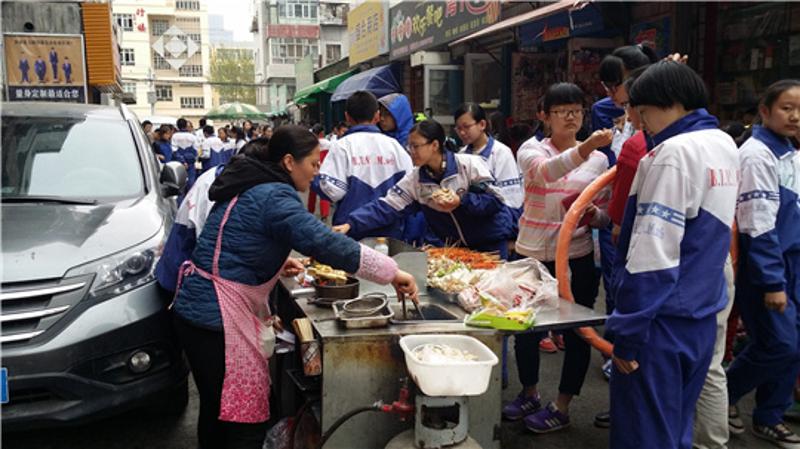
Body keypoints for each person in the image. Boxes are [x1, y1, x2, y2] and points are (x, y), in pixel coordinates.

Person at [171, 128, 418, 449]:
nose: (317, 171)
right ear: (289, 161)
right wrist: (392, 271)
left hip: (199, 310)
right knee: (241, 421)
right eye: (314, 163)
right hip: (214, 316)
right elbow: (323, 242)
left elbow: (235, 240)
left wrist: (274, 263)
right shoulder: (274, 194)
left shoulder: (253, 182)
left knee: (217, 411)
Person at [606, 61, 739, 449]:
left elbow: (653, 254)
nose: (639, 122)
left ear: (671, 103)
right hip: (700, 312)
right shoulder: (723, 143)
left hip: (659, 323)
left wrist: (627, 335)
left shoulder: (672, 154)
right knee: (676, 429)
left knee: (643, 435)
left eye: (642, 111)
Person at [505, 83, 612, 433]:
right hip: (531, 252)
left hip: (576, 254)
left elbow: (606, 212)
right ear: (544, 116)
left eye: (577, 110)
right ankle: (530, 392)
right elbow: (544, 173)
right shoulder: (531, 149)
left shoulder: (599, 160)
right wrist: (587, 147)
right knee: (524, 330)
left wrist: (594, 215)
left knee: (579, 331)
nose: (571, 117)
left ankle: (562, 406)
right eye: (562, 111)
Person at [727, 79, 800, 448]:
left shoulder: (790, 151)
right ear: (765, 110)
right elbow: (758, 224)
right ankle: (724, 392)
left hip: (795, 265)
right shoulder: (757, 154)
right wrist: (773, 282)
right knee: (780, 344)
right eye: (787, 108)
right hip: (769, 267)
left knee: (793, 345)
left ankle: (769, 416)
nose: (796, 116)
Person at [332, 119, 516, 258]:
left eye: (416, 146)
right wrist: (351, 224)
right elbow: (386, 207)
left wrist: (461, 201)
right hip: (455, 250)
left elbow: (495, 200)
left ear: (435, 145)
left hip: (490, 245)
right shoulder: (415, 180)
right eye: (409, 146)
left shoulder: (469, 165)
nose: (411, 151)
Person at [313, 91, 413, 239]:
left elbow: (333, 191)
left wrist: (315, 179)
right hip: (390, 233)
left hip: (349, 232)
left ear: (347, 117)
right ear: (377, 116)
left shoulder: (342, 146)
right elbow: (410, 189)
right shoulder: (395, 147)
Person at [455, 103, 524, 214]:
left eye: (466, 127)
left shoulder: (501, 152)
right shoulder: (461, 155)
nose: (462, 132)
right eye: (458, 129)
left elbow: (512, 199)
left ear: (482, 124)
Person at [307, 124, 331, 220]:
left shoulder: (311, 144)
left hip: (314, 169)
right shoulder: (328, 143)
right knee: (324, 192)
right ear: (322, 133)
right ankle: (324, 213)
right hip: (325, 169)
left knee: (312, 192)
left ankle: (310, 210)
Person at [172, 118, 199, 193]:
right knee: (191, 184)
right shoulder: (192, 136)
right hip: (190, 163)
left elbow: (174, 151)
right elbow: (196, 151)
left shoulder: (175, 136)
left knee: (179, 184)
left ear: (177, 126)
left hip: (178, 163)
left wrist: (182, 161)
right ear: (186, 126)